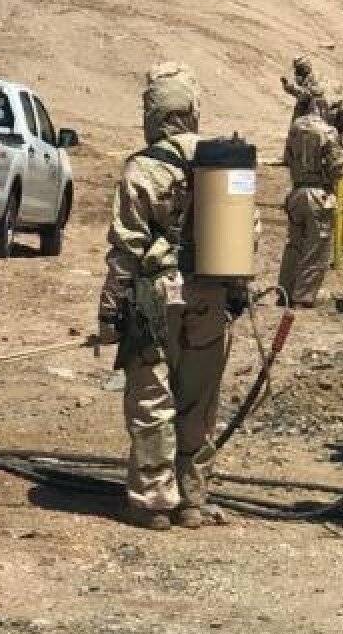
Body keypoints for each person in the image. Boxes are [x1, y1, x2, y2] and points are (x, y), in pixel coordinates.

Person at [96, 64, 240, 530]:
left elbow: (126, 248)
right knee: (198, 401)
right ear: (192, 110)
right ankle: (192, 500)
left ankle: (155, 502)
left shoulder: (141, 168)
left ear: (153, 115)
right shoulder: (225, 163)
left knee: (153, 398)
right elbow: (247, 236)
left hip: (155, 297)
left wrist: (110, 312)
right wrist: (234, 295)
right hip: (210, 296)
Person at [276, 59, 343, 307]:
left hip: (297, 192)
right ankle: (303, 297)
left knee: (294, 245)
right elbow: (338, 169)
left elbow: (287, 158)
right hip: (319, 195)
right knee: (316, 249)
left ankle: (284, 291)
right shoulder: (328, 133)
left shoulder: (296, 127)